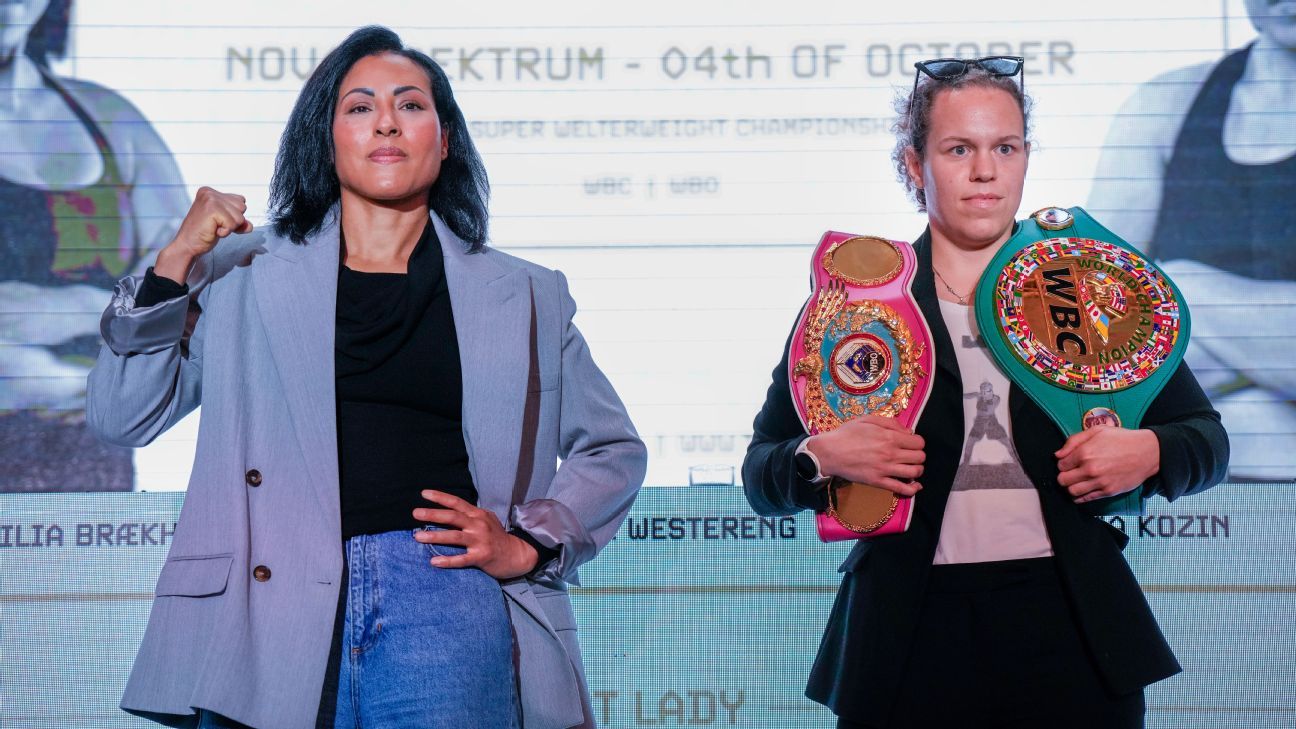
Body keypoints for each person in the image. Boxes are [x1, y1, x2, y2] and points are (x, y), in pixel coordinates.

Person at [87, 26, 646, 729]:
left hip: (445, 595)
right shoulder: (241, 274)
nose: (386, 121)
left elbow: (611, 448)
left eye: (410, 105)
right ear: (326, 141)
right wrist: (175, 262)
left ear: (445, 140)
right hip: (266, 607)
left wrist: (528, 543)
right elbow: (124, 415)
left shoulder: (526, 291)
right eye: (359, 106)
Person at [743, 55, 1228, 728]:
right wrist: (820, 456)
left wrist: (1150, 452)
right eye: (958, 149)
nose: (985, 171)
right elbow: (761, 474)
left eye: (1005, 147)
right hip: (906, 635)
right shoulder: (855, 306)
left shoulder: (1088, 285)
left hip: (1074, 629)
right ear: (915, 165)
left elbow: (1207, 440)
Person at [1088, 0, 1296, 481]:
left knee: (1179, 287)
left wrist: (1182, 295)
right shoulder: (1167, 103)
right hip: (1230, 455)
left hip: (1197, 407)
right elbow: (1094, 315)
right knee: (1258, 426)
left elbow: (1133, 319)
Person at [0, 0, 189, 492]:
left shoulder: (110, 120)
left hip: (88, 464)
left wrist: (64, 311)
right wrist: (105, 314)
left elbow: (187, 278)